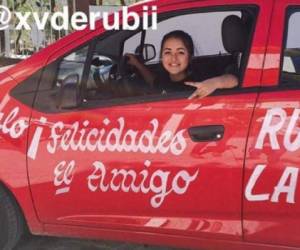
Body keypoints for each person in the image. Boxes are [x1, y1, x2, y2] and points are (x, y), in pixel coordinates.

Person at [126, 30, 238, 99]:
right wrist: (137, 64)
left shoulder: (199, 82)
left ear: (189, 57)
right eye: (168, 52)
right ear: (161, 56)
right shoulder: (164, 80)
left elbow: (233, 80)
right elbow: (152, 80)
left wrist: (214, 83)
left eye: (180, 52)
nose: (173, 58)